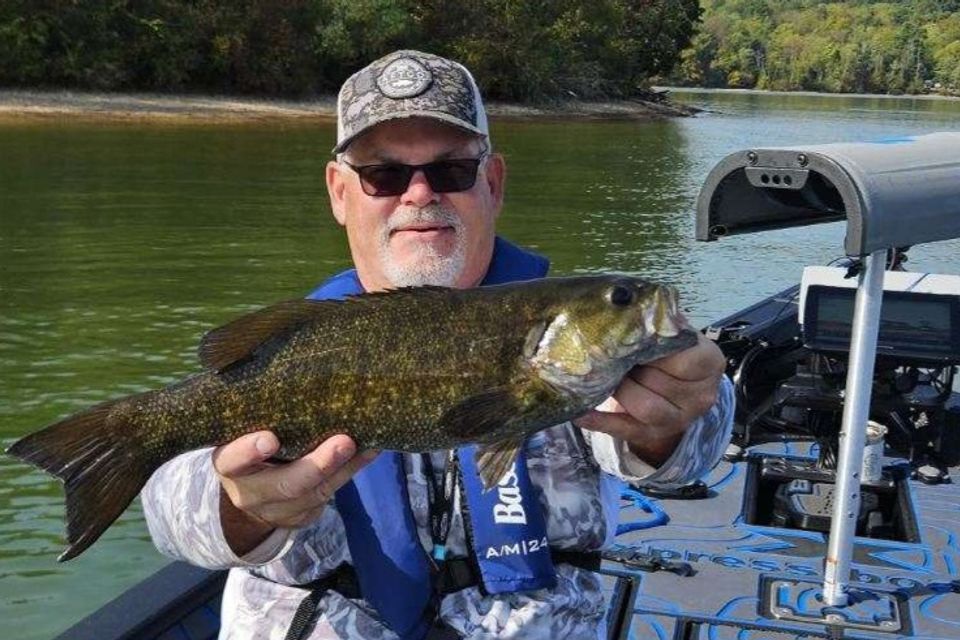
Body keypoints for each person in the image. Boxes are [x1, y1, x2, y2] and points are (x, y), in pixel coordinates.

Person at [142, 49, 734, 640]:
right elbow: (167, 512)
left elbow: (695, 452)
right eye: (385, 174)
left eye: (451, 171)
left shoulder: (571, 333)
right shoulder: (299, 342)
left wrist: (672, 425)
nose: (420, 193)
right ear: (339, 193)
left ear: (494, 183)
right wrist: (239, 506)